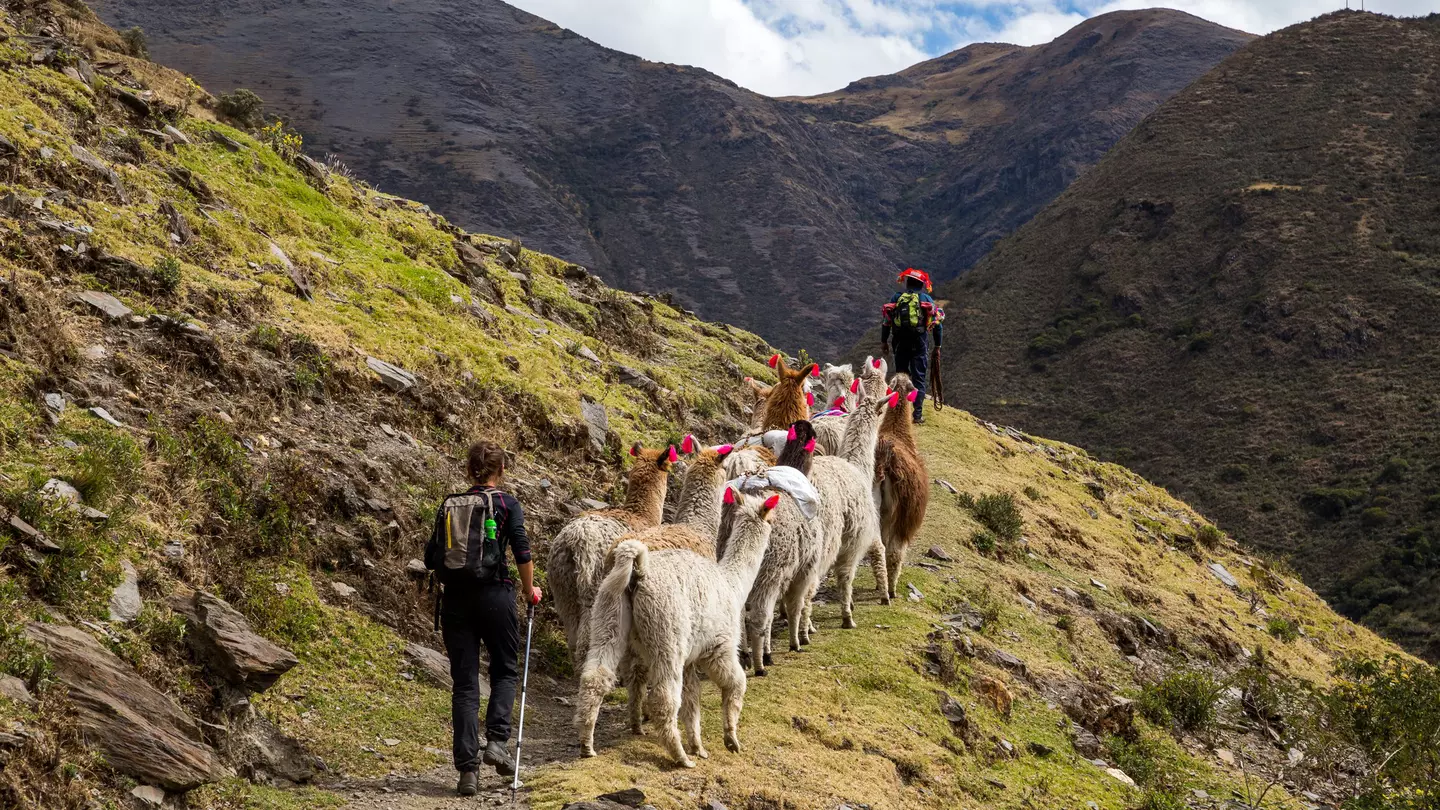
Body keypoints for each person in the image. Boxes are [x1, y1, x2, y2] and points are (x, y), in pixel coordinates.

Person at [424, 441, 542, 797]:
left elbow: (431, 557)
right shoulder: (507, 503)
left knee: (465, 684)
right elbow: (521, 549)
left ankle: (467, 773)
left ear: (468, 470)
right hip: (496, 596)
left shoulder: (450, 504)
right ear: (500, 470)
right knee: (505, 669)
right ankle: (497, 742)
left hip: (456, 602)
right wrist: (529, 589)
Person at [880, 267, 944, 423]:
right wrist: (937, 346)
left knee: (901, 376)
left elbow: (886, 321)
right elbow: (937, 325)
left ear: (907, 282)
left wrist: (884, 341)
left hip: (900, 343)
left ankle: (900, 412)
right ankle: (917, 415)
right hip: (919, 343)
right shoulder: (926, 300)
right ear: (921, 284)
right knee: (919, 379)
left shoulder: (896, 297)